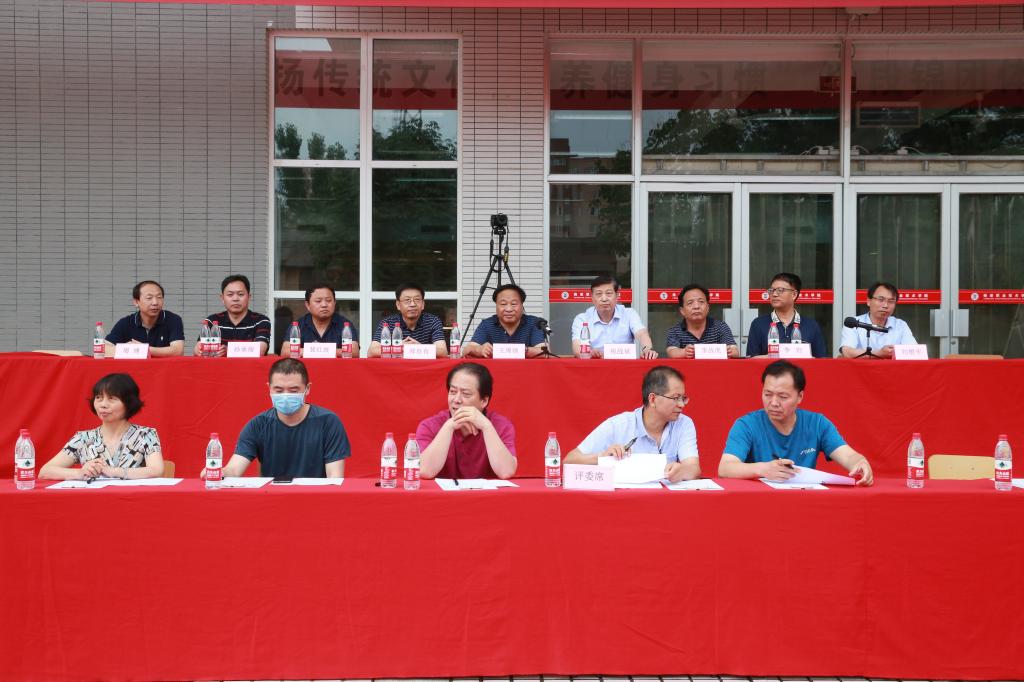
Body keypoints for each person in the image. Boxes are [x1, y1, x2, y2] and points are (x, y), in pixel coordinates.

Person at [718, 360, 873, 485]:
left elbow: (848, 456)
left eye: (783, 397)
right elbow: (725, 468)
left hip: (804, 500)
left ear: (800, 397)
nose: (773, 403)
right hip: (760, 502)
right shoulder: (746, 425)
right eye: (767, 394)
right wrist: (763, 469)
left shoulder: (817, 424)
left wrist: (860, 462)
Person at [213, 358, 350, 479]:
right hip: (270, 496)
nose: (285, 396)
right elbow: (234, 470)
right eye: (278, 390)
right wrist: (220, 472)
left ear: (307, 389)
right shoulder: (258, 424)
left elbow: (335, 477)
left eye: (293, 390)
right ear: (269, 388)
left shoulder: (328, 422)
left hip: (316, 496)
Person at [563, 366, 701, 483]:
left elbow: (694, 468)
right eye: (676, 398)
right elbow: (569, 461)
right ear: (653, 399)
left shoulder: (684, 424)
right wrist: (602, 457)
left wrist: (681, 471)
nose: (681, 404)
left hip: (666, 501)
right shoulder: (618, 425)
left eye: (683, 398)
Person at [39, 373, 164, 481]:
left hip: (131, 499)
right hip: (92, 499)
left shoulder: (145, 435)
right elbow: (45, 471)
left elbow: (157, 470)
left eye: (112, 398)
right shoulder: (83, 438)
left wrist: (115, 472)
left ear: (129, 403)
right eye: (98, 398)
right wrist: (80, 472)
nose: (103, 405)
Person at [415, 362, 517, 479]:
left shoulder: (501, 425)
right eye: (453, 392)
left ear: (484, 401)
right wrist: (449, 426)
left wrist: (486, 426)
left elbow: (506, 472)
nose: (456, 399)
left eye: (466, 394)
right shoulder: (429, 426)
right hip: (443, 491)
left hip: (487, 491)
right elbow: (424, 471)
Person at [571, 275, 658, 359]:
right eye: (599, 294)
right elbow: (576, 346)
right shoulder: (582, 319)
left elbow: (641, 333)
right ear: (592, 298)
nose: (604, 299)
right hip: (594, 365)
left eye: (609, 293)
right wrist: (589, 353)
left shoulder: (629, 314)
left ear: (617, 296)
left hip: (624, 365)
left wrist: (647, 349)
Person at [745, 272, 828, 358]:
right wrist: (774, 356)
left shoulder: (811, 325)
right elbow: (751, 359)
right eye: (771, 290)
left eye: (780, 290)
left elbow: (821, 360)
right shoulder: (758, 324)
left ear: (794, 294)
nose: (774, 294)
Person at [193, 274, 272, 356]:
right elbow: (197, 348)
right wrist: (198, 350)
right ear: (222, 298)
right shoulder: (212, 321)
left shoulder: (261, 321)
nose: (235, 299)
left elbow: (260, 350)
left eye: (240, 294)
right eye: (230, 295)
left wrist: (228, 351)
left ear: (249, 297)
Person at [463, 284, 547, 358]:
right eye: (503, 304)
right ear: (496, 306)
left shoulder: (534, 323)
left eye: (514, 304)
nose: (509, 309)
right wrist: (479, 349)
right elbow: (466, 350)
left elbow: (545, 351)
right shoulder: (487, 324)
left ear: (522, 306)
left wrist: (522, 350)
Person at [105, 280, 185, 357]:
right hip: (136, 366)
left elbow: (178, 350)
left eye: (159, 297)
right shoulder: (126, 323)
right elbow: (104, 348)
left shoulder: (173, 320)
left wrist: (143, 349)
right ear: (136, 302)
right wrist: (129, 350)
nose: (155, 302)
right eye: (149, 298)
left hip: (163, 367)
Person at [839, 282, 918, 359]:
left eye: (891, 301)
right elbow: (847, 352)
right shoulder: (854, 323)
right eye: (881, 300)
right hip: (861, 368)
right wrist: (880, 353)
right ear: (869, 301)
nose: (885, 305)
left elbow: (915, 353)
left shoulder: (900, 325)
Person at [367, 282, 448, 358]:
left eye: (417, 300)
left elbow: (443, 351)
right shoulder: (388, 323)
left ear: (423, 304)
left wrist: (419, 348)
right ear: (398, 305)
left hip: (423, 367)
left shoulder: (433, 321)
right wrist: (398, 348)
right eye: (407, 300)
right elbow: (371, 352)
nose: (412, 304)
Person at [280, 282, 360, 358]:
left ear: (334, 303)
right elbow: (285, 351)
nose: (324, 305)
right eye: (318, 301)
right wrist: (324, 351)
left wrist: (318, 350)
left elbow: (354, 352)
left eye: (328, 300)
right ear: (308, 305)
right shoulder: (298, 326)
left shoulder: (345, 325)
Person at [665, 284, 740, 358]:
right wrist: (683, 352)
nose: (696, 306)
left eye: (701, 302)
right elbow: (671, 351)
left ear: (708, 307)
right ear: (682, 311)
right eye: (690, 303)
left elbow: (735, 351)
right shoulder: (675, 331)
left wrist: (728, 351)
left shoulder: (720, 327)